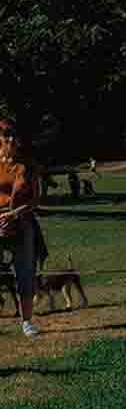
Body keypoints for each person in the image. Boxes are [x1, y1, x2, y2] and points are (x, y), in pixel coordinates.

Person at [0, 119, 45, 339]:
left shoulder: (29, 165)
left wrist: (14, 214)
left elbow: (36, 200)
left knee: (25, 272)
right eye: (6, 134)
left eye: (14, 135)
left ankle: (27, 322)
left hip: (22, 222)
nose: (10, 139)